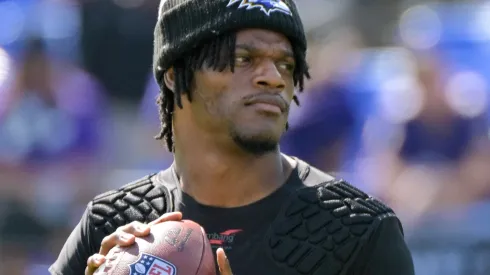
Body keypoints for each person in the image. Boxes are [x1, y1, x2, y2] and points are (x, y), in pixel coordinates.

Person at [50, 0, 415, 274]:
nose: (273, 77)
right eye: (244, 59)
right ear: (177, 73)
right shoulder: (111, 223)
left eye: (286, 64)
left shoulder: (357, 231)